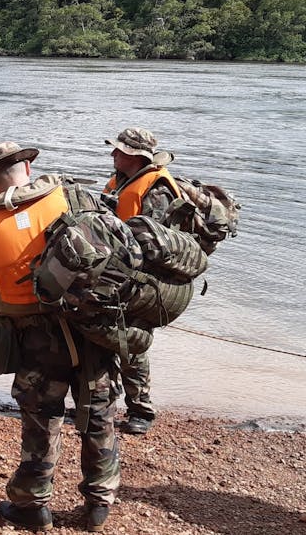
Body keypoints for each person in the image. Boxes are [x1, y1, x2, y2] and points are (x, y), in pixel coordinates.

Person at [0, 142, 119, 532]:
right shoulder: (69, 197)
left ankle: (33, 505)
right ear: (27, 169)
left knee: (41, 416)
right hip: (91, 325)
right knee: (98, 410)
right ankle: (99, 502)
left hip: (36, 336)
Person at [100, 127, 182, 435]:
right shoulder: (121, 180)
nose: (113, 155)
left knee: (131, 340)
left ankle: (141, 409)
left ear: (135, 156)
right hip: (115, 269)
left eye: (118, 151)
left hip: (141, 277)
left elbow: (154, 242)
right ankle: (105, 401)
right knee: (106, 335)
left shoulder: (156, 190)